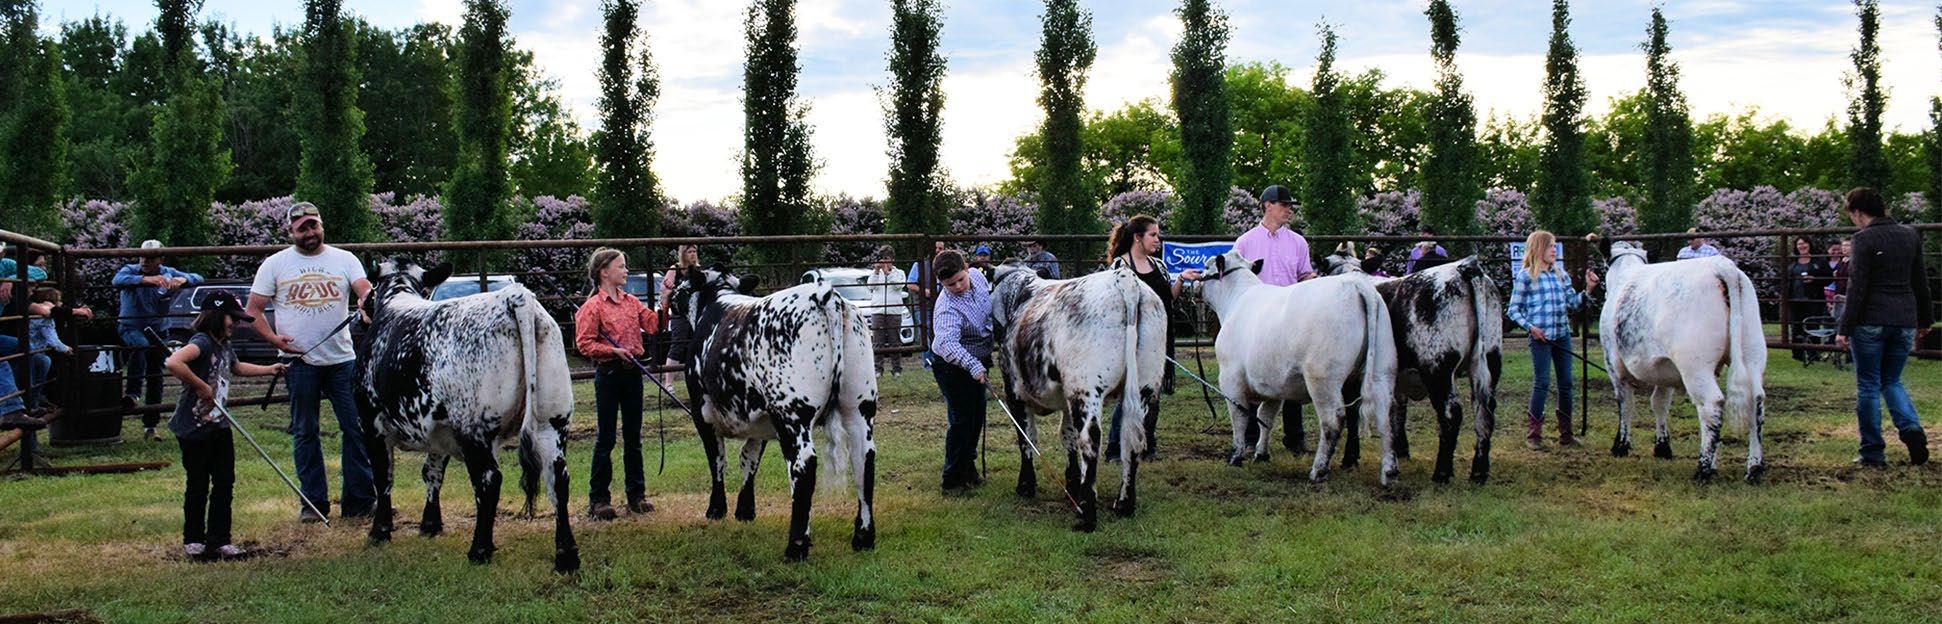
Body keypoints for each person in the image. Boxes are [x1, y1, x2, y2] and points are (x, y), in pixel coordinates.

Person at [245, 201, 376, 522]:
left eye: (313, 225)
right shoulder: (275, 264)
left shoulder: (345, 259)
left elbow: (364, 289)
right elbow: (253, 311)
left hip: (342, 359)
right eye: (302, 228)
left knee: (356, 428)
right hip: (298, 361)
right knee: (305, 432)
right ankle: (313, 504)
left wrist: (365, 302)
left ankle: (359, 501)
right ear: (290, 232)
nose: (309, 233)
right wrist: (274, 340)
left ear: (321, 226)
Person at [163, 291, 286, 559]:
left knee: (224, 481)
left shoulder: (224, 345)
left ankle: (220, 539)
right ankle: (193, 539)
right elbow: (173, 362)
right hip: (193, 427)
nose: (237, 324)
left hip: (219, 425)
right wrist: (200, 385)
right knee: (198, 483)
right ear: (217, 316)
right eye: (233, 318)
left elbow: (237, 368)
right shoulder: (202, 342)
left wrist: (269, 369)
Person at [1833, 188, 1933, 468]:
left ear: (1857, 212)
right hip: (1903, 319)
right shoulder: (1910, 235)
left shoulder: (1863, 239)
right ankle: (1911, 427)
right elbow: (1920, 281)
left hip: (1870, 320)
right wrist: (1925, 319)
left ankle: (1872, 452)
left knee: (1868, 385)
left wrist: (1844, 327)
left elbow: (1857, 287)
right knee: (1892, 380)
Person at [1101, 215, 1202, 462]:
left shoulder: (1159, 265)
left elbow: (1169, 297)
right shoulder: (1120, 267)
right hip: (1132, 339)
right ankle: (1115, 447)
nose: (1158, 239)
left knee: (1152, 392)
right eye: (1153, 235)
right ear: (1138, 237)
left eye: (1158, 234)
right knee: (1129, 393)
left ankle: (1147, 443)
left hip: (1159, 337)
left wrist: (1181, 279)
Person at [575, 248, 661, 519]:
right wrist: (612, 351)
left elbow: (654, 325)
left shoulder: (631, 302)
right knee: (607, 437)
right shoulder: (593, 307)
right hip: (609, 375)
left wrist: (666, 300)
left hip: (632, 374)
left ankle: (637, 496)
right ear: (604, 272)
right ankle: (599, 500)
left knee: (634, 437)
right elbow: (584, 344)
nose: (626, 271)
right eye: (621, 266)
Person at [1232, 184, 1317, 454]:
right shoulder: (1245, 242)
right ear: (1268, 205)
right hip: (1258, 318)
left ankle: (1295, 437)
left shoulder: (1298, 242)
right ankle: (1251, 438)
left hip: (1291, 316)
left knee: (1294, 373)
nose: (1289, 210)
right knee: (1254, 375)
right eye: (1284, 205)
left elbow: (1305, 276)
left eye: (1290, 206)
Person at [1505, 230, 1599, 450]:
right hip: (1541, 338)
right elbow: (1513, 310)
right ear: (1538, 248)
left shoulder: (1560, 274)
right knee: (1542, 383)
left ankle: (1566, 434)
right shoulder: (1526, 276)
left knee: (1566, 383)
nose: (1554, 250)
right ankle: (1534, 436)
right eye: (1550, 246)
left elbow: (1574, 304)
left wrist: (1588, 289)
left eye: (1555, 246)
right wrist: (1531, 328)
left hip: (1561, 335)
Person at [114, 239, 203, 440]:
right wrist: (147, 280)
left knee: (156, 374)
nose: (144, 261)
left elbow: (198, 278)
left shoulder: (168, 272)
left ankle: (150, 425)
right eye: (142, 256)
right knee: (140, 345)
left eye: (151, 257)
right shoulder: (130, 270)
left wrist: (183, 280)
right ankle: (133, 394)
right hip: (131, 326)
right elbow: (117, 280)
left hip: (158, 329)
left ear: (160, 259)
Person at [929, 250, 992, 496]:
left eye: (960, 280)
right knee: (961, 420)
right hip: (952, 367)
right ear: (941, 283)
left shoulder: (977, 277)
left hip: (978, 360)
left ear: (966, 269)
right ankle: (952, 479)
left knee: (977, 416)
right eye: (950, 284)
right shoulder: (947, 307)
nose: (957, 287)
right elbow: (946, 345)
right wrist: (973, 365)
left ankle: (968, 469)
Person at [28, 286, 91, 408]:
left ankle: (37, 398)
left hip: (34, 349)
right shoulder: (45, 319)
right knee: (44, 367)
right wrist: (66, 349)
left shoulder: (34, 315)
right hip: (36, 351)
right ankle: (35, 400)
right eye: (59, 300)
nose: (61, 303)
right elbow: (52, 339)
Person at [657, 244, 701, 386]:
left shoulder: (698, 270)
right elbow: (664, 290)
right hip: (679, 314)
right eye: (689, 251)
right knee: (677, 346)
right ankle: (668, 383)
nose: (692, 254)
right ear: (683, 253)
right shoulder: (675, 269)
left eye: (694, 251)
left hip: (696, 314)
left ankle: (698, 380)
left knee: (698, 345)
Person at [1784, 236, 1831, 364]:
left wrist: (1815, 280)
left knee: (1813, 325)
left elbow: (1829, 278)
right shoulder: (1792, 261)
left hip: (1813, 299)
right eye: (1799, 244)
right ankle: (1797, 355)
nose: (1802, 246)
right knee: (1796, 327)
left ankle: (1813, 354)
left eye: (1805, 243)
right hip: (1794, 299)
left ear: (1810, 245)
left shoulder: (1819, 261)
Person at [864, 246, 908, 376]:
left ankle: (896, 369)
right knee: (878, 342)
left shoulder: (899, 272)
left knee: (895, 342)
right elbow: (870, 286)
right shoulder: (875, 274)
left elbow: (899, 285)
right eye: (882, 258)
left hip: (894, 311)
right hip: (878, 311)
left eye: (886, 258)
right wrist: (877, 271)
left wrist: (888, 273)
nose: (884, 261)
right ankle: (878, 369)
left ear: (892, 259)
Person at [906, 240, 947, 369]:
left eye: (941, 248)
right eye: (936, 248)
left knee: (939, 334)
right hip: (923, 306)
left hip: (941, 306)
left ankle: (939, 362)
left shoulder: (945, 266)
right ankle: (928, 364)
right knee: (926, 336)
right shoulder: (919, 265)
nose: (938, 251)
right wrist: (925, 291)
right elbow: (910, 284)